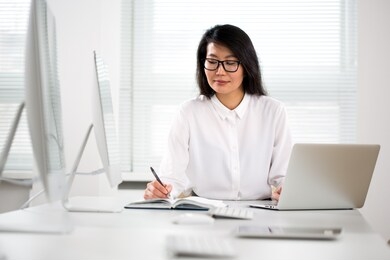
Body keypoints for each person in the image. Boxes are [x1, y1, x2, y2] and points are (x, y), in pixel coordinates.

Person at [144, 24, 292, 201]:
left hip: (260, 211)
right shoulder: (189, 112)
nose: (219, 71)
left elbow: (283, 176)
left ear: (246, 66)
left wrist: (285, 189)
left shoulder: (273, 111)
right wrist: (160, 191)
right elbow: (171, 177)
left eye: (230, 63)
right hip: (205, 212)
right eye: (212, 62)